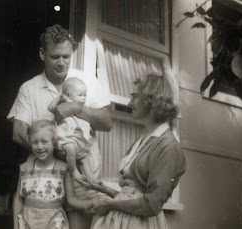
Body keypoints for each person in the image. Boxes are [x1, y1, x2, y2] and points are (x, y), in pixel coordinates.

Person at [8, 24, 112, 229]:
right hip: (46, 181)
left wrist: (76, 109)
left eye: (66, 56)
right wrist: (58, 154)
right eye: (55, 57)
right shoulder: (29, 88)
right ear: (42, 54)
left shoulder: (87, 80)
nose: (62, 62)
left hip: (81, 180)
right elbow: (19, 134)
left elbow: (107, 122)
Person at [77, 75, 186, 229]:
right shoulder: (144, 140)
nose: (130, 103)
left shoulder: (168, 147)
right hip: (124, 221)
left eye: (135, 97)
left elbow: (151, 205)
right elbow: (131, 196)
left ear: (152, 100)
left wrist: (109, 205)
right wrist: (102, 188)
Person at [13, 120, 98, 229]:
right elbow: (18, 199)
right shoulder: (25, 168)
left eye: (44, 141)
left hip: (53, 222)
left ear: (54, 142)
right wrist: (16, 224)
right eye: (35, 142)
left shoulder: (63, 168)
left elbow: (72, 200)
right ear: (30, 142)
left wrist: (92, 203)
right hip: (28, 221)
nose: (39, 146)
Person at [48, 77, 98, 183]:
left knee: (84, 159)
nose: (83, 98)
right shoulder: (64, 103)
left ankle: (92, 178)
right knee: (71, 149)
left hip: (79, 141)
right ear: (67, 95)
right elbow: (51, 108)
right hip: (66, 139)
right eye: (80, 95)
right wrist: (60, 98)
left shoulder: (83, 107)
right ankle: (74, 171)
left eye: (85, 95)